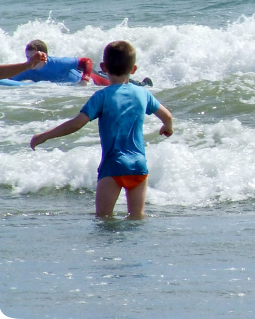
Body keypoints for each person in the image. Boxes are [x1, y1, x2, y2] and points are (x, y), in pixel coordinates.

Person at [30, 41, 173, 219]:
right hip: (138, 166)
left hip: (113, 166)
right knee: (137, 218)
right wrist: (167, 128)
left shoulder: (102, 96)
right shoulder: (143, 93)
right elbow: (167, 116)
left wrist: (45, 136)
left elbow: (76, 124)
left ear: (104, 67)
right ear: (134, 69)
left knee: (104, 220)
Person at [11, 39, 152, 86]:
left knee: (116, 79)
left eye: (33, 57)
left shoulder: (57, 63)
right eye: (27, 57)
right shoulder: (27, 69)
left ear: (44, 56)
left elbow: (86, 61)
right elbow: (9, 79)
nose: (30, 61)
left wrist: (85, 78)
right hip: (72, 85)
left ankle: (143, 84)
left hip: (89, 78)